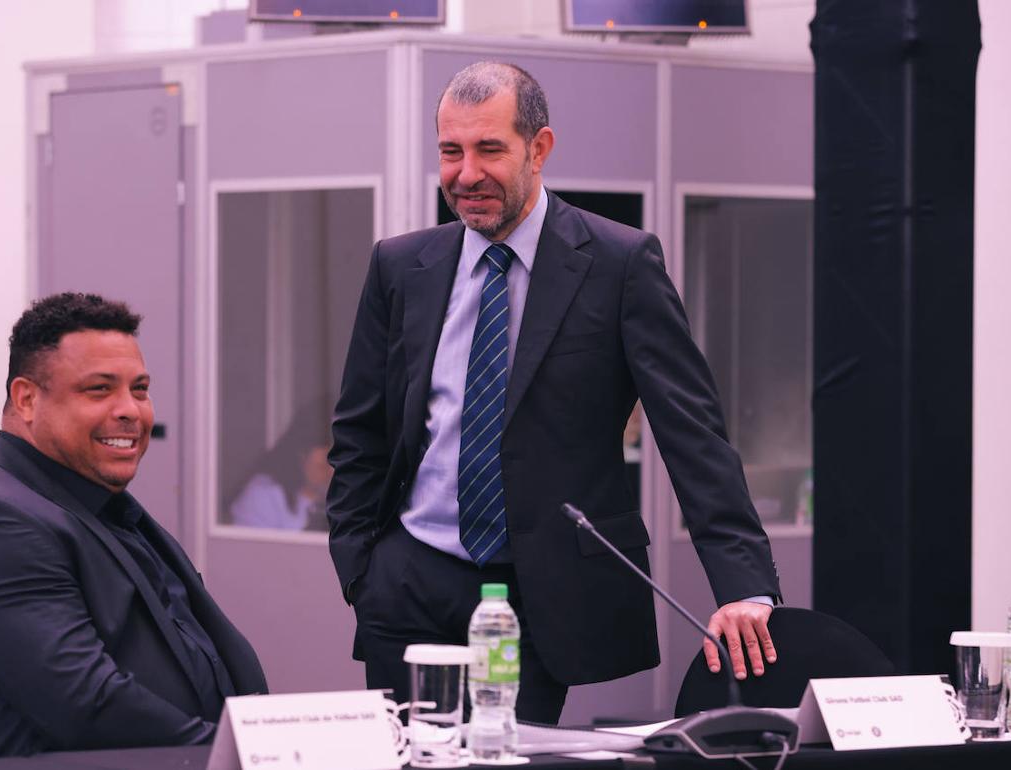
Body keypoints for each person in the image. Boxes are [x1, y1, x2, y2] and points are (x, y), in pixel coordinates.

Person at [327, 61, 782, 723]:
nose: (465, 174)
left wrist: (746, 586)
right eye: (451, 151)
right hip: (409, 585)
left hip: (538, 591)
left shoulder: (619, 264)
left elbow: (694, 435)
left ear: (539, 148)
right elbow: (360, 429)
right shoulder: (402, 266)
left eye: (490, 150)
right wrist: (361, 567)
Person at [0, 293, 268, 760]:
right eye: (99, 389)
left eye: (139, 389)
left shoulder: (103, 507)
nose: (130, 411)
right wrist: (253, 754)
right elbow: (87, 705)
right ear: (27, 398)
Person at [229, 402, 333, 531]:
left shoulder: (346, 502)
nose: (333, 472)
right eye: (323, 466)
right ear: (301, 454)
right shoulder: (263, 496)